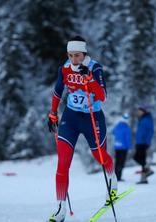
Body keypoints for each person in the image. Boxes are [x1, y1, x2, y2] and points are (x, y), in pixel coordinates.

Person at [47, 36, 117, 222]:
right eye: (70, 55)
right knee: (62, 163)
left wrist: (89, 79)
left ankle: (112, 179)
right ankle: (60, 208)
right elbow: (57, 90)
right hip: (70, 117)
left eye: (77, 55)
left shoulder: (95, 68)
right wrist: (53, 113)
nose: (73, 59)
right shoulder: (65, 68)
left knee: (100, 156)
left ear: (84, 53)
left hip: (91, 118)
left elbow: (102, 96)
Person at [133, 105, 154, 184]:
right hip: (139, 142)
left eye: (140, 111)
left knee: (137, 157)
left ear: (144, 111)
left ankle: (147, 171)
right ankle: (144, 178)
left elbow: (150, 131)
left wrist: (147, 142)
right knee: (140, 158)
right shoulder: (142, 119)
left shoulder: (147, 119)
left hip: (143, 143)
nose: (138, 112)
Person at [112, 113, 132, 181]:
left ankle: (115, 176)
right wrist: (129, 147)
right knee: (121, 162)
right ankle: (118, 177)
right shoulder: (126, 127)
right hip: (123, 148)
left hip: (117, 146)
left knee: (117, 162)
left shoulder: (117, 126)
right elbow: (127, 138)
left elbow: (113, 132)